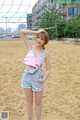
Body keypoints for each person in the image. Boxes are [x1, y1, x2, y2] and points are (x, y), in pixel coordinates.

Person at [20, 29, 51, 120]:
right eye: (38, 37)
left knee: (38, 103)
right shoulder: (30, 47)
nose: (39, 40)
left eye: (42, 39)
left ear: (45, 41)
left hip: (38, 79)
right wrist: (36, 32)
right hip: (27, 77)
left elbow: (48, 69)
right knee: (28, 102)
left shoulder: (46, 53)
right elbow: (22, 32)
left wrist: (44, 79)